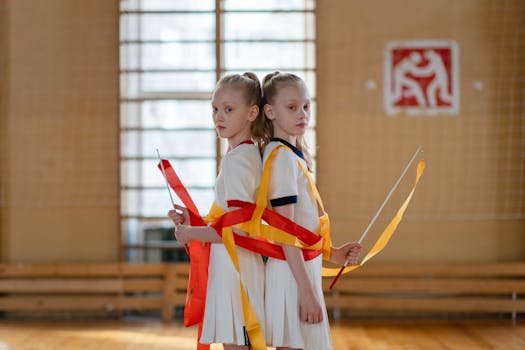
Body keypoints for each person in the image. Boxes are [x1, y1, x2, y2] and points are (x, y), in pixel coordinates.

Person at [258, 72, 361, 350]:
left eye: (306, 106)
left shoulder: (290, 155)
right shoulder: (280, 159)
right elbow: (285, 233)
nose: (302, 113)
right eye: (292, 107)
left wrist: (334, 253)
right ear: (269, 111)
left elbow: (300, 231)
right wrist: (306, 292)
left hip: (301, 272)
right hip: (292, 277)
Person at [169, 72, 265, 350]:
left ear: (252, 113)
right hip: (234, 264)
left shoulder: (239, 160)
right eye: (215, 109)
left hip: (236, 266)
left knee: (237, 345)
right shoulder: (242, 155)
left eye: (228, 109)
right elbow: (228, 217)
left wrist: (190, 232)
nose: (219, 116)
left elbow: (237, 228)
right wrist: (193, 223)